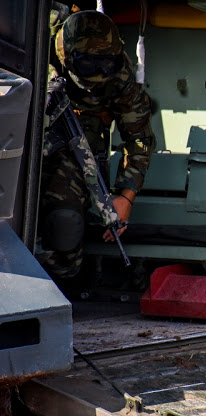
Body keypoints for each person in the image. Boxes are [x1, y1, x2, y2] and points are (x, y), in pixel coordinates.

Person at [37, 10, 156, 280]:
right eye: (90, 66)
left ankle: (53, 287)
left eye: (107, 65)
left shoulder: (120, 74)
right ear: (66, 55)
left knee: (64, 222)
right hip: (18, 136)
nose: (100, 74)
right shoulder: (33, 41)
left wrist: (125, 196)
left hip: (74, 143)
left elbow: (139, 139)